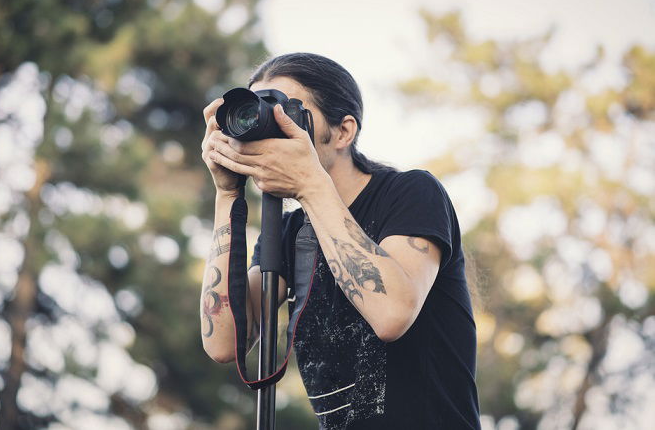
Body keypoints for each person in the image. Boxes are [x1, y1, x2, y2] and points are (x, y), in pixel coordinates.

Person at [199, 52, 480, 429]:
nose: (269, 126)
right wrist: (226, 194)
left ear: (344, 131)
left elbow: (392, 314)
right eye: (257, 111)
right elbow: (222, 343)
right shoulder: (287, 232)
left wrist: (310, 185)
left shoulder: (411, 193)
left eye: (284, 110)